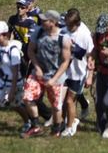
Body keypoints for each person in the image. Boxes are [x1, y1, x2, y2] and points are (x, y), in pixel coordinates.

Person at [22, 10, 71, 138]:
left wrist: (54, 79)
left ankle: (56, 130)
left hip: (57, 77)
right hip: (38, 74)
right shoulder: (38, 32)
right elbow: (30, 51)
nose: (42, 22)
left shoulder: (63, 38)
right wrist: (37, 67)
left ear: (53, 22)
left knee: (56, 106)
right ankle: (35, 125)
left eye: (45, 20)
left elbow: (66, 61)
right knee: (27, 97)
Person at [60, 8, 94, 137]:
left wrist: (90, 76)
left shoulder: (84, 35)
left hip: (78, 73)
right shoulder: (63, 32)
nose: (67, 27)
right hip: (64, 71)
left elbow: (91, 55)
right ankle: (64, 123)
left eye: (70, 25)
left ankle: (70, 126)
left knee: (69, 101)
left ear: (77, 23)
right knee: (61, 100)